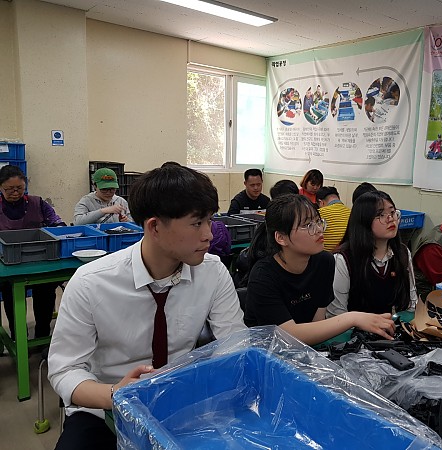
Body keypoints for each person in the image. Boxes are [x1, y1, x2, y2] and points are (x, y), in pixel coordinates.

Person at [48, 164, 246, 449]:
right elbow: (65, 370)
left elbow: (234, 343)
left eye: (210, 220)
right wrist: (115, 393)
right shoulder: (91, 283)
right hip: (106, 408)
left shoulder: (212, 272)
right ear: (154, 227)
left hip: (182, 402)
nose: (209, 235)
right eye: (196, 223)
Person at [244, 194, 395, 346]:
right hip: (266, 353)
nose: (318, 230)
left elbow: (317, 324)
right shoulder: (263, 276)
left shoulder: (324, 261)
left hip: (305, 350)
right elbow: (288, 336)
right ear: (281, 238)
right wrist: (353, 318)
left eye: (318, 221)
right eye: (307, 225)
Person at [327, 191, 418, 318]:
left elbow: (412, 304)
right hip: (354, 329)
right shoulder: (343, 259)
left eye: (392, 212)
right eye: (381, 215)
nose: (391, 219)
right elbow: (336, 316)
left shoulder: (402, 252)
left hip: (394, 327)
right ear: (363, 221)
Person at [0, 165, 66, 339]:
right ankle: (17, 337)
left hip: (39, 261)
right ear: (0, 187)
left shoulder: (38, 203)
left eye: (19, 188)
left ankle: (42, 337)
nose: (15, 192)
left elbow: (58, 224)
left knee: (45, 290)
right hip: (9, 265)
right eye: (9, 189)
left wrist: (58, 229)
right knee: (10, 293)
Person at [316, 186, 351, 252]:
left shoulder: (318, 213)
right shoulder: (352, 212)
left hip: (324, 255)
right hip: (346, 255)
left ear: (321, 202)